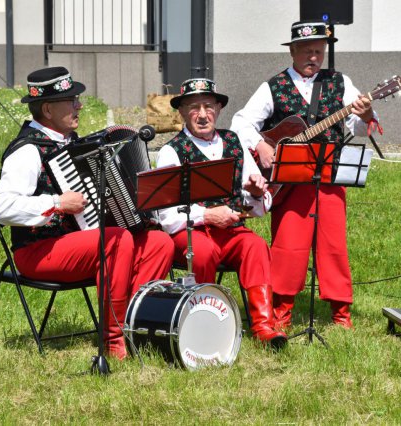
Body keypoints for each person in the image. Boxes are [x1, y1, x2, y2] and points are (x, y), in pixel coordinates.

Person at [0, 66, 174, 359]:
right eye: (72, 100)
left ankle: (135, 326)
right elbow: (0, 207)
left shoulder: (74, 145)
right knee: (115, 240)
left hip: (78, 246)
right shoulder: (27, 150)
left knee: (158, 244)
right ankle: (112, 340)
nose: (80, 105)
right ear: (48, 109)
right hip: (37, 250)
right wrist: (57, 204)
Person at [231, 21, 380, 329]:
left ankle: (341, 314)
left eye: (319, 51)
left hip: (329, 176)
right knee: (288, 245)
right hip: (288, 181)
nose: (314, 56)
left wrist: (365, 113)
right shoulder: (273, 86)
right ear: (294, 51)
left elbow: (360, 126)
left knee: (333, 245)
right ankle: (281, 311)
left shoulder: (340, 82)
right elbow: (240, 122)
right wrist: (260, 143)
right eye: (308, 51)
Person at [156, 78, 288, 348]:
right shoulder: (171, 151)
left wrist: (253, 190)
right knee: (204, 252)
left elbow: (260, 207)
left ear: (219, 109)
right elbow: (166, 218)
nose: (203, 115)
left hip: (230, 231)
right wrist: (207, 216)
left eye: (208, 106)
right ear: (181, 112)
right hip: (189, 234)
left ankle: (264, 326)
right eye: (194, 107)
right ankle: (205, 325)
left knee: (255, 246)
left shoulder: (233, 141)